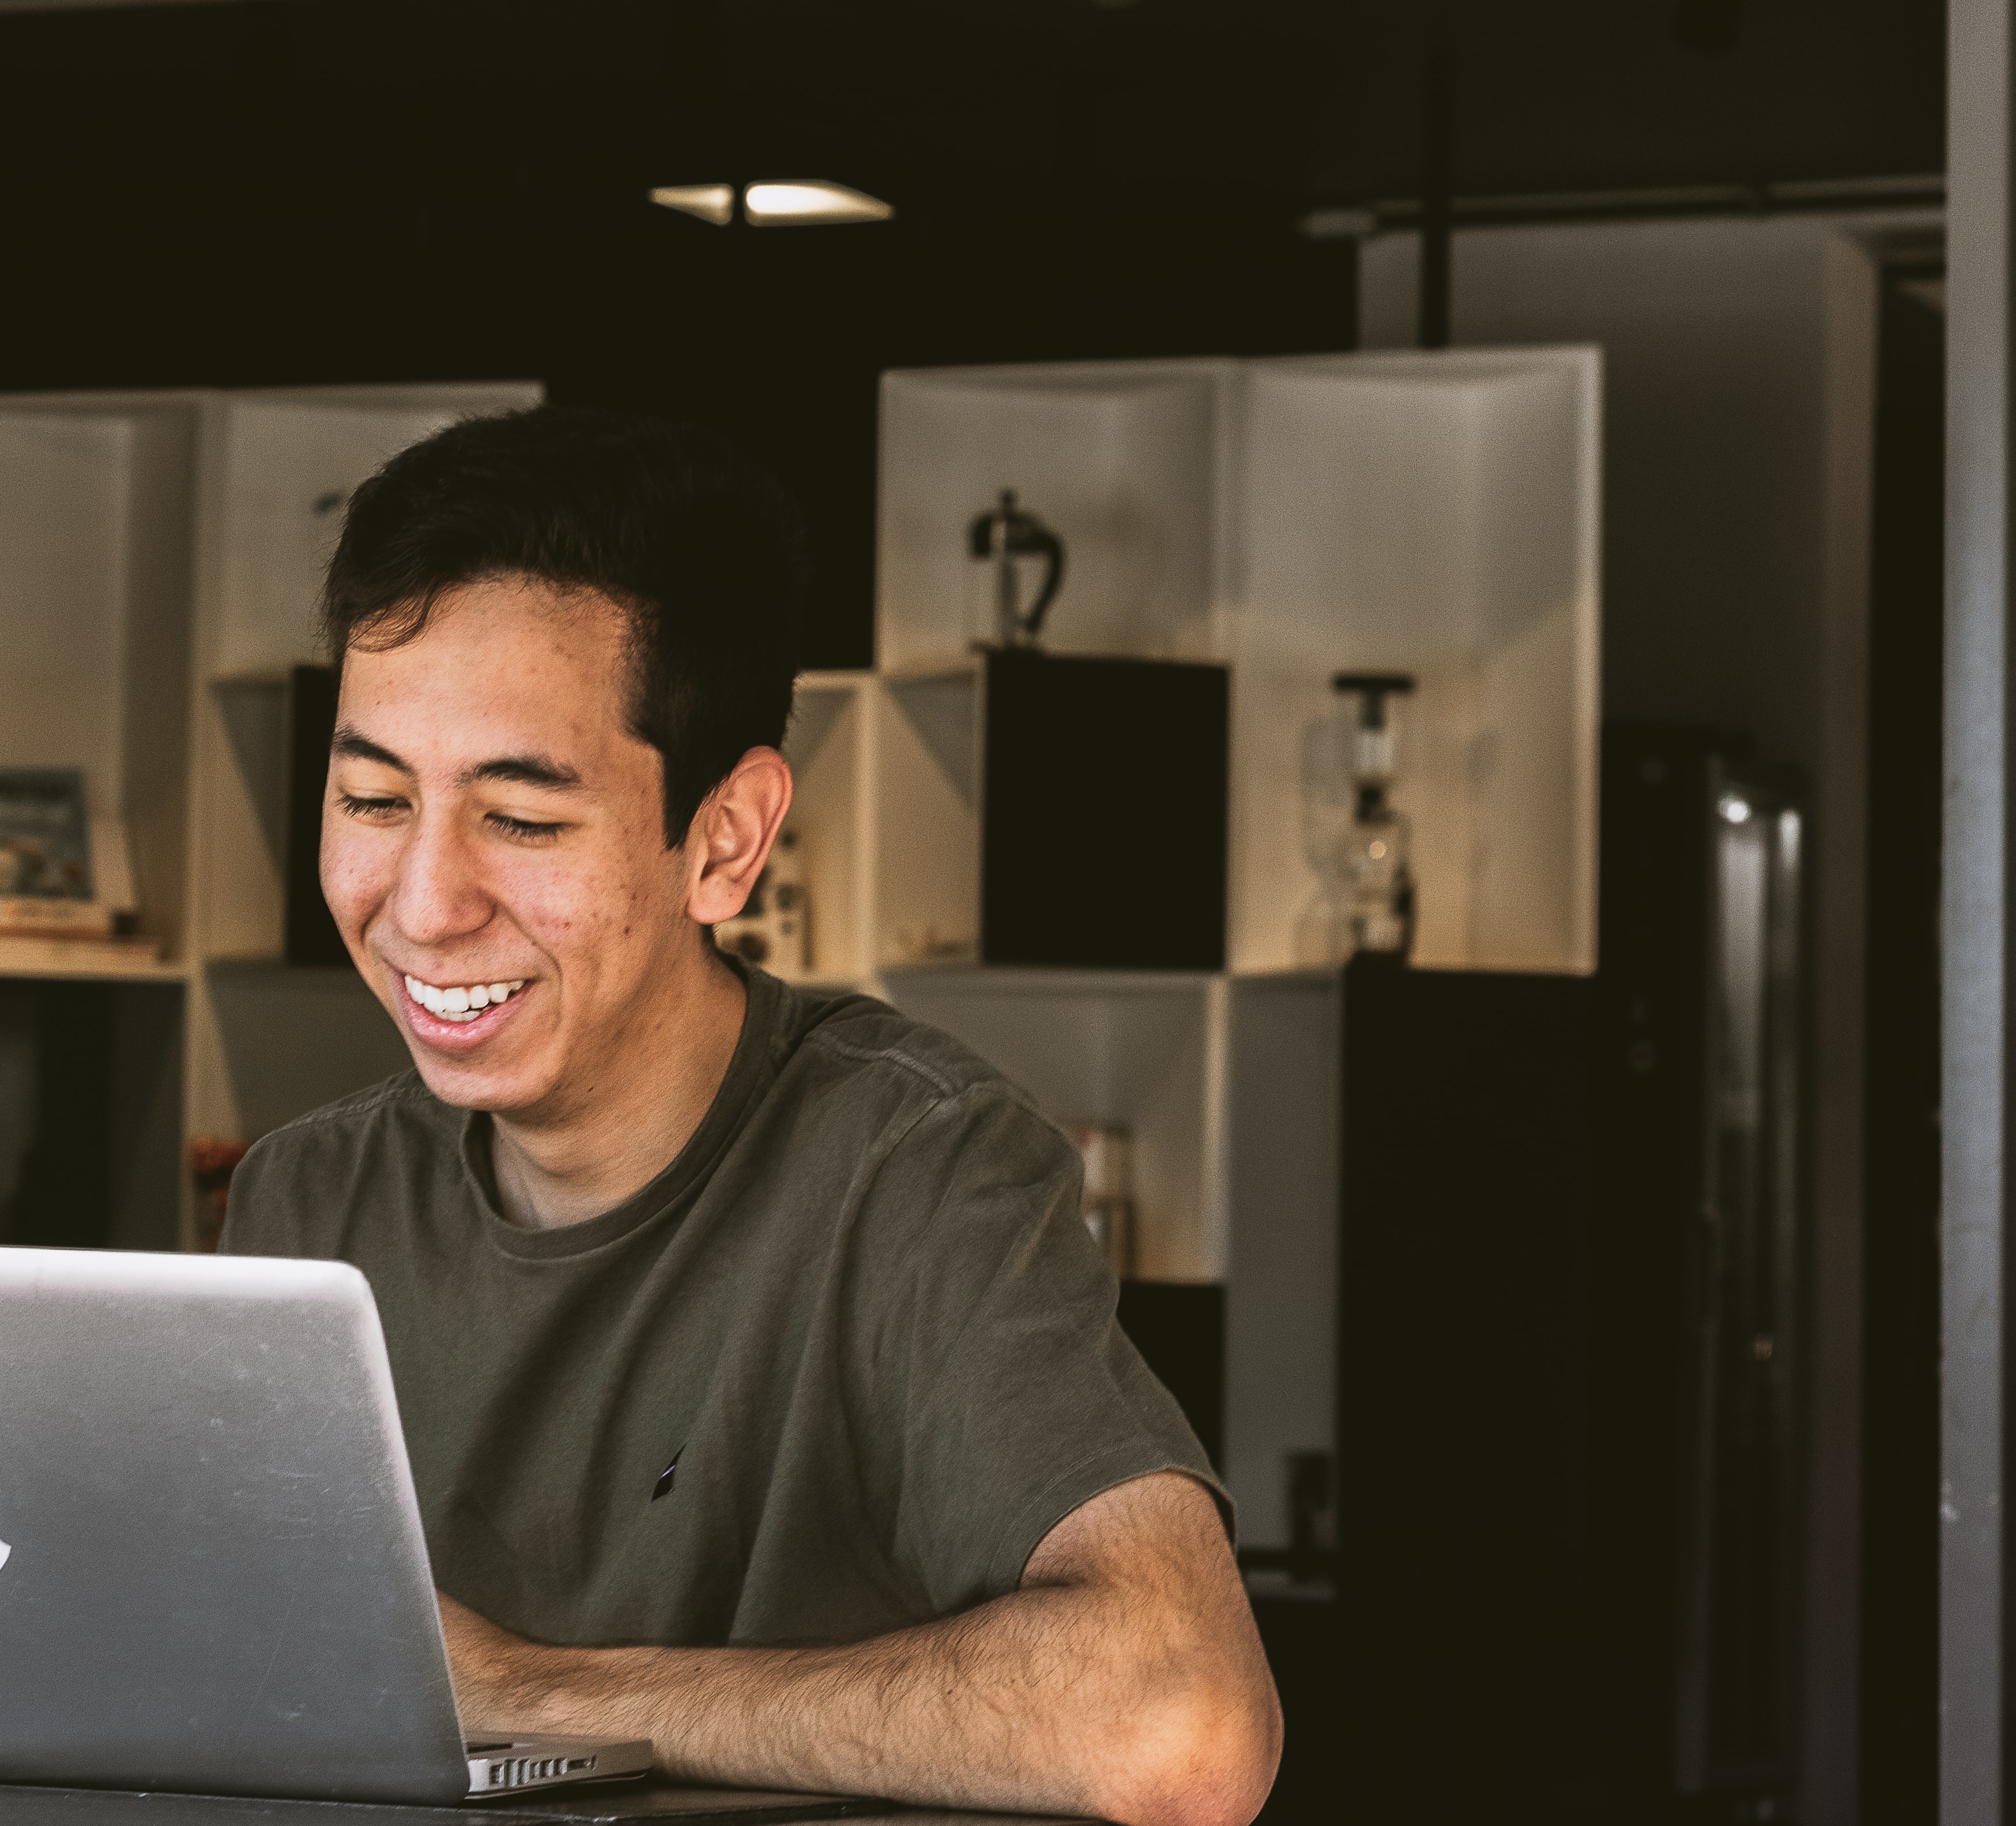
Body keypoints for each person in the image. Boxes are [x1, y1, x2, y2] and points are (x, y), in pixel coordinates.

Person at [218, 408, 1280, 1826]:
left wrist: (538, 1693)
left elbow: (1183, 1718)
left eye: (522, 821)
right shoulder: (307, 1197)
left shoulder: (918, 1169)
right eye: (371, 796)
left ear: (725, 839)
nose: (422, 904)